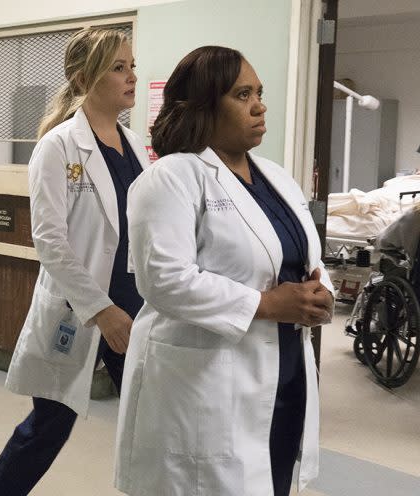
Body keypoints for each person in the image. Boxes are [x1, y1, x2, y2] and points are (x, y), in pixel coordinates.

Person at [114, 46, 335, 496]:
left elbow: (302, 258)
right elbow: (163, 279)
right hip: (205, 382)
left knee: (270, 479)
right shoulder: (172, 177)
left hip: (283, 372)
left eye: (259, 92)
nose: (259, 105)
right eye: (242, 94)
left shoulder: (275, 176)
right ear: (205, 106)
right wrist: (265, 304)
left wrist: (322, 292)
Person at [0, 27, 149, 496]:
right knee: (48, 429)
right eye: (118, 67)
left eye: (131, 65)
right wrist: (101, 309)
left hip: (136, 309)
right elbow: (49, 240)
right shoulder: (57, 146)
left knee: (154, 423)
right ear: (81, 76)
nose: (132, 76)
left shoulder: (134, 146)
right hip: (84, 309)